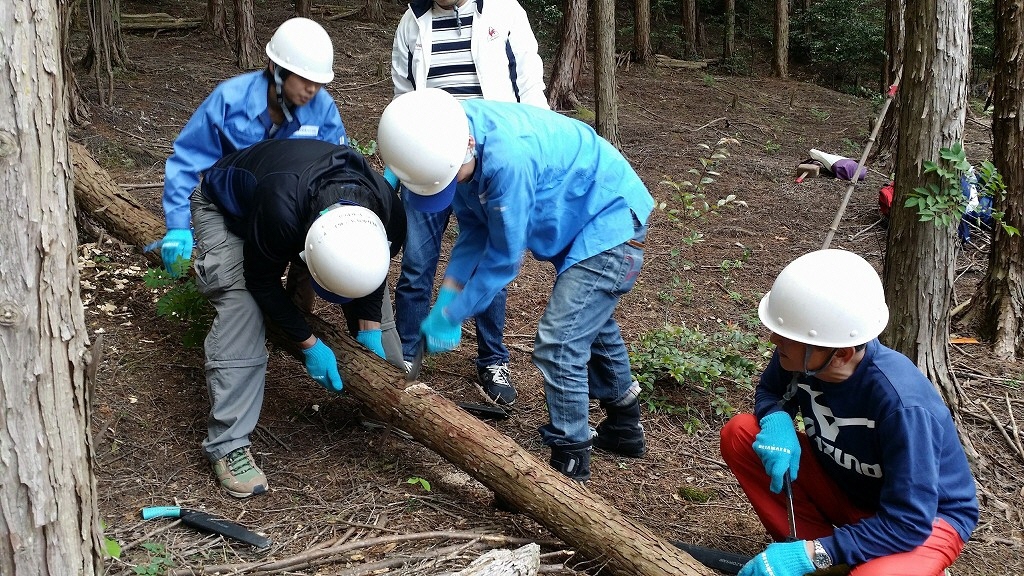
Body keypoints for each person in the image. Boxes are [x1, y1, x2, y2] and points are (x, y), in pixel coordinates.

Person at [377, 88, 654, 481]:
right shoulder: (443, 138)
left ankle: (569, 464)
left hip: (610, 220)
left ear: (468, 147)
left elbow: (504, 259)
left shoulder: (507, 159)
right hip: (581, 221)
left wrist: (454, 313)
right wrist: (448, 299)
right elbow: (473, 230)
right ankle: (625, 426)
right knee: (587, 317)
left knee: (561, 340)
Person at [157, 17, 405, 368]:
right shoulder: (229, 101)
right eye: (305, 80)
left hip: (298, 213)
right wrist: (178, 224)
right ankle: (267, 353)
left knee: (356, 264)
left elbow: (336, 171)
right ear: (275, 68)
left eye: (319, 83)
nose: (312, 91)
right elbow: (187, 161)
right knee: (241, 294)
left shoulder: (323, 109)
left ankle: (389, 381)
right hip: (236, 212)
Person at [720, 249, 978, 576]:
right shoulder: (803, 355)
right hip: (848, 491)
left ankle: (838, 556)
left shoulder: (902, 404)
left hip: (923, 521)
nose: (774, 339)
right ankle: (823, 552)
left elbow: (910, 520)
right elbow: (771, 391)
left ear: (841, 353)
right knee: (741, 433)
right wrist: (776, 418)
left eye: (786, 336)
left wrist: (817, 554)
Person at [191, 138, 406, 498]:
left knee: (365, 281)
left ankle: (391, 397)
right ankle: (228, 445)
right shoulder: (279, 208)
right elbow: (260, 282)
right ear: (306, 255)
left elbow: (372, 273)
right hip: (228, 208)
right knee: (242, 306)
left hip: (297, 215)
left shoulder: (388, 212)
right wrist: (310, 345)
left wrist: (370, 332)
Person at [388, 0, 548, 404]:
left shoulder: (504, 11)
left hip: (489, 158)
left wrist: (535, 147)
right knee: (416, 262)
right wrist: (400, 165)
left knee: (488, 255)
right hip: (428, 162)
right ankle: (406, 357)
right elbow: (404, 101)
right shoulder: (412, 24)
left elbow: (530, 86)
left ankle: (492, 360)